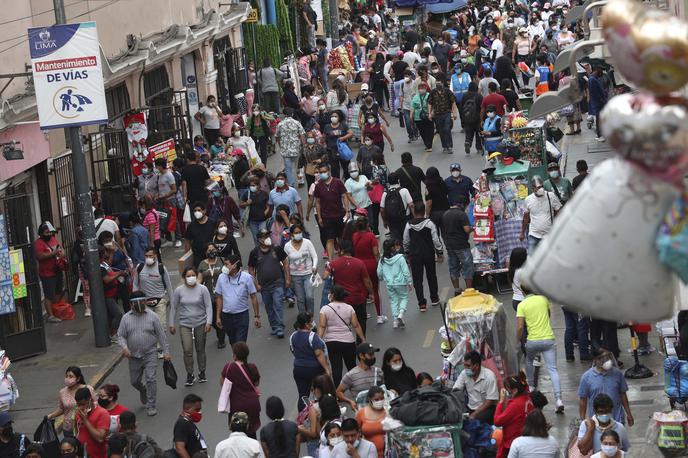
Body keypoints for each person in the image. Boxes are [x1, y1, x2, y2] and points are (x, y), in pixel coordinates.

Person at [117, 294, 171, 417]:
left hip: (150, 353)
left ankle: (151, 405)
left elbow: (161, 335)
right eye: (136, 303)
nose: (140, 305)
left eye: (142, 302)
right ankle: (143, 390)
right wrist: (124, 348)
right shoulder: (125, 318)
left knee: (151, 378)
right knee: (134, 381)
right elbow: (120, 335)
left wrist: (166, 352)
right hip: (133, 355)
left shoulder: (153, 316)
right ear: (131, 304)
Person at [516, 288, 564, 413]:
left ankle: (531, 387)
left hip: (532, 341)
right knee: (553, 369)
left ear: (522, 291)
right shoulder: (543, 299)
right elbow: (548, 315)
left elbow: (520, 327)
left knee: (529, 361)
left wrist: (517, 339)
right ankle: (559, 400)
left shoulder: (521, 305)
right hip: (548, 339)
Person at [170, 266, 212, 387]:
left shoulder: (202, 289)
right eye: (188, 276)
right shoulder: (179, 291)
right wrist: (171, 324)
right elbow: (173, 307)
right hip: (185, 324)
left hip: (200, 322)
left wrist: (208, 322)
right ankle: (190, 374)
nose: (191, 278)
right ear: (183, 278)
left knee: (200, 348)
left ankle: (202, 371)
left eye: (193, 275)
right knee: (187, 349)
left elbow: (208, 306)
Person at [324, 240, 374, 338]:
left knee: (343, 323)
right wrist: (371, 293)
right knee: (361, 321)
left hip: (341, 299)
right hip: (358, 298)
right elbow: (367, 281)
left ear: (341, 250)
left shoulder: (333, 264)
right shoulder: (360, 263)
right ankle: (361, 342)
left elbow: (325, 276)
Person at [318, 285, 366, 386]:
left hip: (331, 342)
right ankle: (356, 386)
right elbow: (356, 325)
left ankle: (338, 392)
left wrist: (318, 340)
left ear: (333, 295)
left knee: (336, 367)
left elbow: (322, 326)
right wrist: (362, 339)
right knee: (351, 366)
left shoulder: (325, 309)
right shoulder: (349, 308)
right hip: (348, 342)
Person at [248, 229, 290, 338]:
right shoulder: (254, 253)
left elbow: (285, 262)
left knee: (278, 304)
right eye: (264, 236)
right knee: (269, 306)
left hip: (277, 282)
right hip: (264, 286)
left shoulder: (276, 249)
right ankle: (274, 326)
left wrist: (288, 278)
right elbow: (251, 268)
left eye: (268, 235)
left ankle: (280, 327)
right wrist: (255, 283)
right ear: (259, 240)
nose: (267, 238)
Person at [132, 246, 172, 358]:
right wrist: (136, 300)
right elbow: (135, 284)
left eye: (150, 256)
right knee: (146, 327)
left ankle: (160, 348)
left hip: (160, 301)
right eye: (146, 256)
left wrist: (172, 303)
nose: (148, 258)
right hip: (145, 303)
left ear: (155, 256)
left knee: (161, 326)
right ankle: (149, 348)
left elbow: (169, 286)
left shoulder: (161, 268)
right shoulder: (139, 268)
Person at [403, 202, 443, 312]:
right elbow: (436, 240)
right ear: (424, 211)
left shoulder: (409, 225)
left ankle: (422, 303)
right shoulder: (429, 223)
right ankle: (434, 298)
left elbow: (406, 241)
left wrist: (407, 252)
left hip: (415, 256)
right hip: (429, 254)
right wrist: (440, 252)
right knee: (431, 276)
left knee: (417, 280)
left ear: (414, 211)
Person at [578, 348, 633, 425]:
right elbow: (583, 399)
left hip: (617, 419)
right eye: (602, 358)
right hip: (596, 422)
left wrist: (628, 414)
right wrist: (582, 420)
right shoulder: (586, 377)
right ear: (595, 360)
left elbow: (622, 394)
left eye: (608, 357)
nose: (606, 360)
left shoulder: (617, 374)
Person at [215, 254, 261, 345]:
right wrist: (218, 317)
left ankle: (240, 358)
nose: (224, 267)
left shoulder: (247, 278)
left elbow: (253, 296)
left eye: (226, 264)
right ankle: (237, 358)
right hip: (226, 316)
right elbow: (219, 297)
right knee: (233, 342)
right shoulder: (221, 277)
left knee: (240, 342)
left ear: (234, 265)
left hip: (242, 316)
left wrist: (257, 316)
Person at [314, 163, 357, 259]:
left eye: (324, 172)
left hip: (339, 215)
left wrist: (347, 211)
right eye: (320, 172)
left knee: (341, 237)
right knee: (330, 239)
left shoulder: (338, 182)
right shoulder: (318, 186)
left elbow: (344, 196)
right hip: (326, 217)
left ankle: (343, 256)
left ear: (329, 171)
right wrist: (320, 217)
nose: (322, 174)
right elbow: (317, 202)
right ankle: (330, 260)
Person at [290, 312, 331, 411]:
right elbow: (319, 354)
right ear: (306, 324)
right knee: (322, 393)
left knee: (303, 395)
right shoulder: (312, 337)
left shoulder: (293, 336)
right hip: (314, 370)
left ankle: (302, 416)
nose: (313, 323)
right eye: (311, 321)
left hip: (298, 369)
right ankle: (324, 413)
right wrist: (327, 369)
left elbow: (293, 351)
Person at [220, 342, 261, 437]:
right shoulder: (252, 367)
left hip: (236, 406)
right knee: (251, 432)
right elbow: (256, 383)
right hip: (252, 404)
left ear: (234, 355)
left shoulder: (229, 367)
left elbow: (222, 382)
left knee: (237, 434)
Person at [452, 350, 499, 424]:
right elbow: (456, 390)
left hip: (486, 409)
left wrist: (475, 414)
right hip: (470, 408)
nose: (465, 368)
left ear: (476, 366)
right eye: (464, 365)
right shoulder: (464, 374)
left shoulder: (489, 377)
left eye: (468, 366)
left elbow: (490, 400)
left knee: (474, 423)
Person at [493, 374, 534, 458]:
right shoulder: (527, 399)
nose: (507, 393)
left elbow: (497, 421)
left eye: (508, 390)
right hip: (525, 439)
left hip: (512, 443)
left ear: (515, 390)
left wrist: (500, 402)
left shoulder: (515, 405)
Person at [47, 366, 96, 436]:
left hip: (84, 425)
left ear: (78, 378)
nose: (67, 379)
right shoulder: (62, 392)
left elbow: (95, 405)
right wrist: (51, 415)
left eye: (71, 376)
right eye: (66, 376)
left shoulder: (87, 389)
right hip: (68, 428)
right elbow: (62, 408)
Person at [519, 176, 562, 252]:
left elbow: (559, 212)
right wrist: (522, 233)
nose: (541, 189)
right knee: (531, 258)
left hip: (549, 235)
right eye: (538, 187)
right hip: (533, 235)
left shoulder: (551, 196)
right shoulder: (528, 200)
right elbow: (525, 218)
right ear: (533, 188)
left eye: (542, 186)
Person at [34, 222, 66, 322]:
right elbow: (40, 256)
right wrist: (53, 253)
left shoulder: (53, 239)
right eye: (46, 232)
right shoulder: (38, 243)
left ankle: (57, 311)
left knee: (58, 292)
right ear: (41, 233)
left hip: (57, 270)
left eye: (49, 232)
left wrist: (61, 254)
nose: (48, 234)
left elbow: (61, 249)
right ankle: (50, 315)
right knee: (49, 295)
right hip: (47, 273)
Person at [442, 196, 473, 296]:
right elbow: (467, 229)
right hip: (461, 245)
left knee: (453, 267)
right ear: (462, 204)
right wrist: (474, 228)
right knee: (467, 266)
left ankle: (457, 289)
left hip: (450, 245)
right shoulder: (461, 214)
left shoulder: (445, 214)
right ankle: (469, 290)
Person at [337, 343, 384, 410]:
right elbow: (338, 392)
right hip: (362, 413)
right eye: (370, 354)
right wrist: (350, 401)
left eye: (374, 354)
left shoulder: (378, 371)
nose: (373, 357)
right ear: (361, 356)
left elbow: (384, 389)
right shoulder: (351, 375)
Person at [377, 239, 411, 329]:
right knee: (404, 297)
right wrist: (409, 282)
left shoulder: (382, 259)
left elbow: (379, 272)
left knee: (393, 301)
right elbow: (406, 271)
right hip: (400, 282)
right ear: (393, 248)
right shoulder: (400, 258)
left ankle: (395, 321)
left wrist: (381, 278)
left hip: (389, 283)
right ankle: (401, 314)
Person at [284, 224, 318, 315]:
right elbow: (285, 262)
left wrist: (314, 266)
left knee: (309, 297)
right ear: (291, 234)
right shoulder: (287, 246)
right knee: (300, 299)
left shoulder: (307, 243)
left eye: (300, 232)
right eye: (296, 233)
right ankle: (303, 320)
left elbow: (314, 256)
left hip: (308, 274)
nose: (298, 234)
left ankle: (310, 317)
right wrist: (288, 277)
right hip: (295, 276)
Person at [198, 243, 226, 348]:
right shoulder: (202, 264)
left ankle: (221, 339)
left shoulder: (222, 260)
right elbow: (199, 280)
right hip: (209, 295)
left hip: (222, 294)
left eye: (213, 249)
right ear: (205, 252)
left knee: (221, 316)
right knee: (214, 319)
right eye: (209, 250)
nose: (211, 251)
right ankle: (221, 331)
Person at [428, 74, 459, 154]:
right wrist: (430, 113)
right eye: (437, 82)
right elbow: (430, 103)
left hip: (447, 113)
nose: (438, 84)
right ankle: (444, 146)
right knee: (441, 131)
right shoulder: (433, 92)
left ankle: (449, 146)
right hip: (437, 115)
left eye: (439, 82)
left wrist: (454, 113)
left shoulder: (447, 91)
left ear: (442, 83)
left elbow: (453, 102)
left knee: (447, 129)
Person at [74, 387, 109, 458]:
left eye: (83, 404)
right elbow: (77, 433)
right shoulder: (78, 414)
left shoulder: (102, 413)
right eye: (78, 405)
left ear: (90, 400)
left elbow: (100, 438)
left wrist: (85, 420)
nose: (81, 408)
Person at [380, 172, 414, 243]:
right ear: (398, 180)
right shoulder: (404, 191)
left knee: (395, 241)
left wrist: (385, 221)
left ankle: (398, 252)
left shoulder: (385, 193)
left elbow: (382, 210)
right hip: (404, 219)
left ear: (388, 182)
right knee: (407, 239)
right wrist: (415, 218)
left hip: (391, 221)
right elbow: (411, 205)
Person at [275, 108, 306, 187]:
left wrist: (280, 146)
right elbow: (302, 135)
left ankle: (291, 184)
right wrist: (304, 145)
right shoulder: (297, 123)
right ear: (292, 114)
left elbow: (277, 137)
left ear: (284, 114)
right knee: (298, 166)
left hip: (285, 151)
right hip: (296, 149)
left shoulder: (280, 124)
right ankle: (300, 181)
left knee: (288, 169)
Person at [355, 387, 386, 457]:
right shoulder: (361, 413)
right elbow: (356, 433)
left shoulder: (388, 412)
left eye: (382, 398)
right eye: (376, 399)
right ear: (370, 400)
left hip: (387, 454)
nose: (380, 401)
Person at [173, 394, 207, 458]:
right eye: (197, 410)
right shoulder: (182, 423)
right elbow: (179, 448)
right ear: (187, 409)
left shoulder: (188, 421)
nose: (199, 412)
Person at [322, 110, 353, 179]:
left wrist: (343, 138)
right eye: (332, 116)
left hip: (342, 150)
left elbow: (350, 133)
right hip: (332, 151)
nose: (334, 117)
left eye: (335, 116)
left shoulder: (343, 125)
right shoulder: (327, 127)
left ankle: (347, 183)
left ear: (339, 117)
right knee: (334, 170)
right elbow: (323, 137)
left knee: (346, 168)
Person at [185, 202, 217, 267]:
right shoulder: (191, 226)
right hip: (197, 256)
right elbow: (187, 241)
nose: (197, 212)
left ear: (204, 211)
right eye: (195, 211)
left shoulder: (212, 223)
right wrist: (187, 257)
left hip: (211, 254)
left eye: (199, 210)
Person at [460, 82, 484, 155]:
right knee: (478, 134)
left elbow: (461, 108)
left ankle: (468, 142)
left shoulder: (464, 96)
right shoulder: (479, 96)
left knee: (468, 133)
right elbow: (482, 108)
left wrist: (462, 119)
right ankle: (479, 148)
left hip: (467, 118)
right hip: (477, 118)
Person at [410, 82, 434, 152]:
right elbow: (412, 107)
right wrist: (411, 116)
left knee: (430, 131)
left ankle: (429, 145)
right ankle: (427, 144)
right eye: (420, 88)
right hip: (418, 118)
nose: (421, 90)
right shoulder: (415, 97)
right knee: (422, 132)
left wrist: (432, 113)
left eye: (423, 88)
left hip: (428, 116)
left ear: (426, 88)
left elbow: (433, 105)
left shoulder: (429, 95)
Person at [589, 66, 609, 141]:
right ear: (598, 70)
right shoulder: (592, 79)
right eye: (601, 72)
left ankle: (601, 134)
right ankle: (600, 135)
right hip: (598, 103)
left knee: (600, 119)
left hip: (599, 102)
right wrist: (601, 99)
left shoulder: (595, 78)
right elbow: (594, 92)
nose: (602, 75)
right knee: (599, 119)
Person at [399, 70, 419, 143]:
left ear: (411, 76)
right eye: (405, 76)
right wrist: (400, 107)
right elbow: (401, 96)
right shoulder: (402, 84)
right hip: (405, 106)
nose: (406, 77)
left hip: (414, 106)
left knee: (414, 121)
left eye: (407, 76)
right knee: (407, 122)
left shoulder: (415, 83)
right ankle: (410, 136)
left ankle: (416, 132)